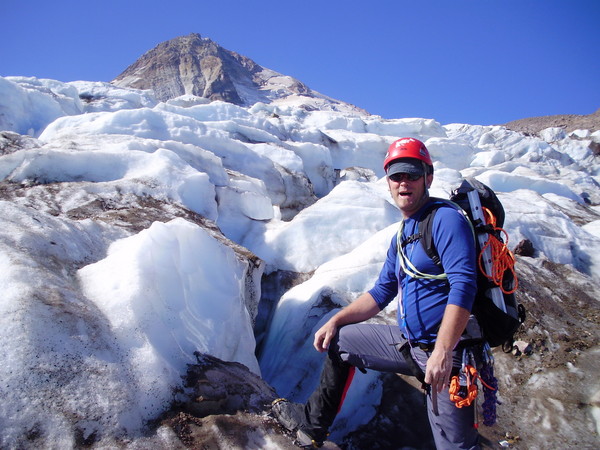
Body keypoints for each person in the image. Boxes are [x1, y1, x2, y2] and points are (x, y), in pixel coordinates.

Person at [272, 137, 482, 449]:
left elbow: (464, 285)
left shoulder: (446, 220)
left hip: (448, 355)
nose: (403, 183)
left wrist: (442, 350)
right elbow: (382, 292)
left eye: (412, 174)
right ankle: (312, 429)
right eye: (396, 176)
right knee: (341, 340)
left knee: (456, 446)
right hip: (410, 345)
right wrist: (336, 320)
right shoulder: (404, 235)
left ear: (429, 177)